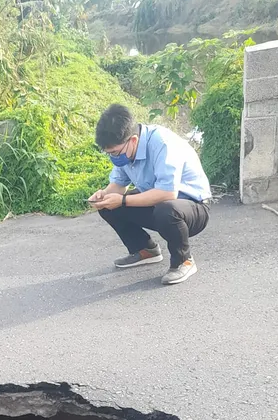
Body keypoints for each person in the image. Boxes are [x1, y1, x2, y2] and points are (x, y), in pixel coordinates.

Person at [88, 104, 211, 285]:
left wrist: (122, 200)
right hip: (158, 202)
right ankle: (145, 250)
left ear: (133, 140)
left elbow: (167, 193)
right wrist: (103, 195)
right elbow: (118, 186)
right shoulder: (125, 152)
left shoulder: (162, 143)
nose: (114, 158)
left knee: (165, 209)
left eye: (115, 152)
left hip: (193, 207)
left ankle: (183, 261)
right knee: (108, 205)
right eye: (109, 154)